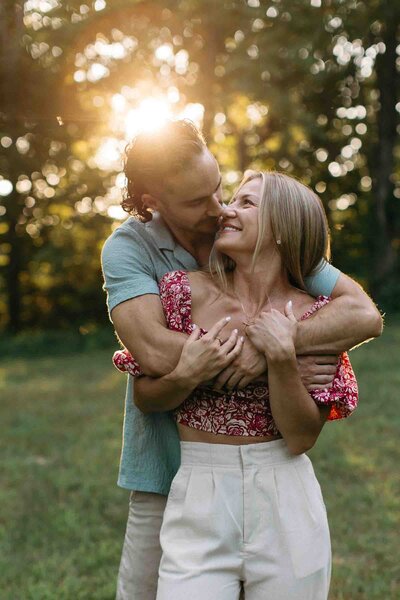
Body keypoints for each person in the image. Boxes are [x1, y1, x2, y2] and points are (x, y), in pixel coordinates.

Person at [101, 120, 382, 600]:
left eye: (219, 189)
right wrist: (254, 356)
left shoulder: (254, 230)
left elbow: (361, 313)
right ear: (153, 202)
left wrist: (278, 349)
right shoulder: (132, 251)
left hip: (275, 474)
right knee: (143, 592)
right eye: (196, 202)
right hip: (169, 462)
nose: (217, 209)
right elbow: (150, 354)